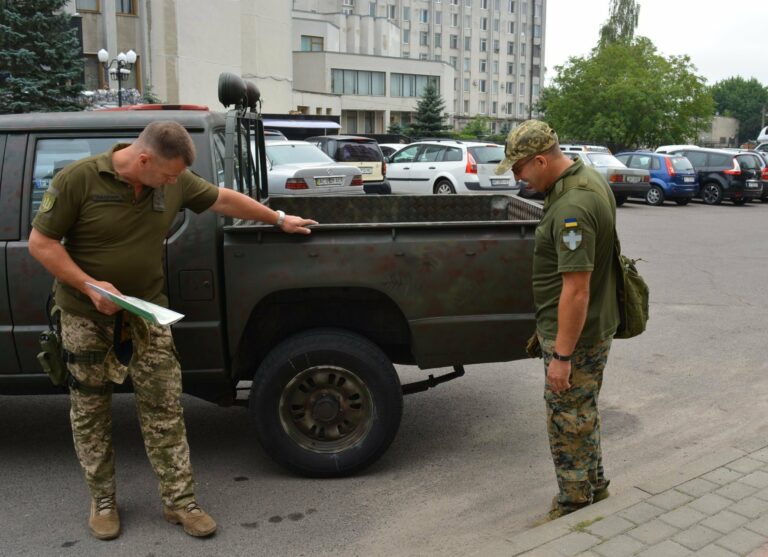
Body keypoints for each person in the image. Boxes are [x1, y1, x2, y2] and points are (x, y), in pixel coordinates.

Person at [28, 121, 317, 541]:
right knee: (90, 411)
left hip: (145, 314)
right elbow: (41, 243)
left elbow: (221, 199)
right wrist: (88, 286)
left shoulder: (173, 180)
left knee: (164, 407)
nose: (173, 183)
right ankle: (103, 500)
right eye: (167, 174)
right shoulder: (78, 179)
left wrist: (278, 217)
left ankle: (180, 501)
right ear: (143, 159)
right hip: (84, 316)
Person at [497, 120, 620, 520]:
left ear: (539, 160)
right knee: (581, 412)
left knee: (566, 419)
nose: (518, 178)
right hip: (588, 329)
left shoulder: (572, 207)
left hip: (577, 338)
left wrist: (562, 357)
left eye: (518, 170)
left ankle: (574, 504)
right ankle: (595, 486)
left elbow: (577, 289)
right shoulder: (584, 178)